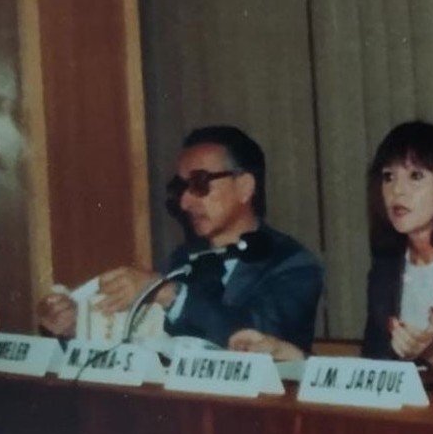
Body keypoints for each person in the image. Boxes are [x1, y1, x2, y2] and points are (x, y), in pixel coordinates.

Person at [234, 121, 433, 371]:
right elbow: (373, 370)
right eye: (388, 177)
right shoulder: (387, 268)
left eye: (415, 176)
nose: (397, 190)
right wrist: (293, 357)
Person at [36, 125, 323, 353]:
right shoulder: (182, 259)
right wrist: (77, 326)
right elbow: (143, 341)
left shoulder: (294, 264)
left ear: (245, 187)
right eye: (181, 187)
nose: (185, 202)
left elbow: (261, 339)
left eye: (199, 183)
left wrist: (170, 294)